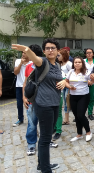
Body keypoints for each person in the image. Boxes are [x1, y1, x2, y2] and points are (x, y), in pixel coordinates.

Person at [12, 38, 67, 172]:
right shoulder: (42, 62)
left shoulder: (57, 65)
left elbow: (60, 80)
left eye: (53, 48)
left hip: (55, 104)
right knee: (45, 138)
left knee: (46, 134)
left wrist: (65, 82)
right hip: (44, 105)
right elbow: (35, 58)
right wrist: (27, 50)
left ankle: (41, 164)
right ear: (44, 51)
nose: (50, 50)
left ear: (57, 50)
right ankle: (45, 169)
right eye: (47, 48)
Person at [65, 57, 92, 142]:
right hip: (73, 96)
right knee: (76, 116)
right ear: (73, 64)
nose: (77, 64)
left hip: (83, 96)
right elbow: (65, 81)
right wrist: (69, 86)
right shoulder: (71, 72)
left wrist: (91, 81)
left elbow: (92, 80)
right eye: (75, 62)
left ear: (82, 63)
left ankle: (88, 132)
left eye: (79, 62)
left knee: (81, 115)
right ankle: (79, 134)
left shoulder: (86, 72)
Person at [22, 44, 43, 155]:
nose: (25, 55)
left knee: (45, 124)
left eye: (27, 52)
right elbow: (25, 83)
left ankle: (46, 141)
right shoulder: (28, 67)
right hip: (32, 100)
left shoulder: (45, 65)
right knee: (32, 123)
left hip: (44, 100)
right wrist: (24, 97)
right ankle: (31, 144)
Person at [13, 50, 32, 127]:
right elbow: (15, 72)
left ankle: (30, 119)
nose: (23, 54)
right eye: (22, 53)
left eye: (25, 53)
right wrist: (21, 63)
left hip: (28, 86)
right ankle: (20, 119)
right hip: (19, 85)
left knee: (28, 103)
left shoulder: (31, 63)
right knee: (19, 103)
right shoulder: (18, 61)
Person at [57, 49, 72, 125]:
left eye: (59, 55)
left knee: (67, 101)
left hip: (67, 84)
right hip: (62, 84)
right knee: (65, 102)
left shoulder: (68, 64)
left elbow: (72, 74)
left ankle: (67, 119)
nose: (57, 57)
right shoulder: (60, 64)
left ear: (63, 55)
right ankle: (66, 119)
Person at [84, 48, 94, 120]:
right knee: (83, 98)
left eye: (90, 52)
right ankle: (81, 114)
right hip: (83, 82)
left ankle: (90, 113)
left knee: (91, 98)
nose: (89, 54)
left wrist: (93, 81)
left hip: (93, 82)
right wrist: (86, 80)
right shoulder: (82, 61)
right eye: (87, 53)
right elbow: (81, 71)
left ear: (93, 54)